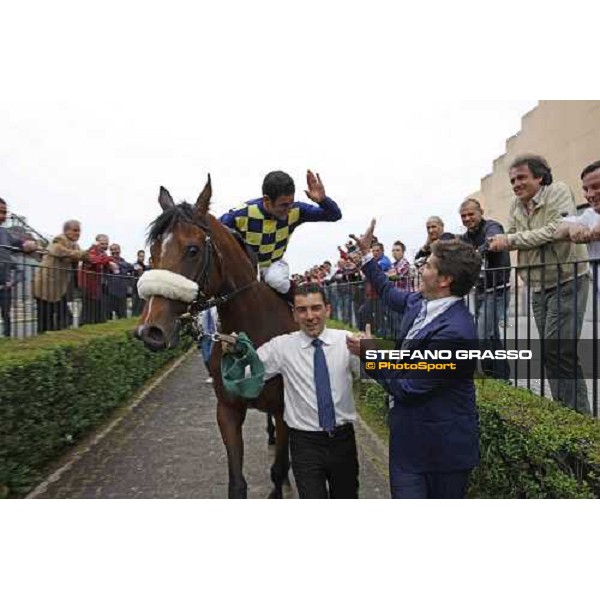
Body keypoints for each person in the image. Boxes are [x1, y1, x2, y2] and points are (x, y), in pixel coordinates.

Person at [348, 222, 481, 499]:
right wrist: (365, 258)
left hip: (441, 454)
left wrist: (370, 353)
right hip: (408, 443)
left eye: (429, 266)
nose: (422, 269)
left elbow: (408, 385)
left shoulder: (455, 333)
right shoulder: (420, 302)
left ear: (445, 280)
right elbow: (386, 291)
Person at [227, 282, 361, 499]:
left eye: (316, 308)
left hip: (343, 441)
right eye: (302, 310)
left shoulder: (347, 341)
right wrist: (237, 353)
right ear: (294, 314)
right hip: (304, 444)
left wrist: (372, 352)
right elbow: (244, 376)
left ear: (328, 309)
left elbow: (380, 374)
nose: (310, 316)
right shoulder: (281, 347)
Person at [488, 154, 590, 414]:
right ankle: (564, 411)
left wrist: (512, 240)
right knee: (550, 352)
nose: (516, 184)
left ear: (540, 176)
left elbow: (556, 230)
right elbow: (514, 234)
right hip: (536, 285)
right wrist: (511, 239)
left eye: (521, 177)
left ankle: (579, 417)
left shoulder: (557, 191)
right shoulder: (515, 205)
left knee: (560, 350)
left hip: (567, 279)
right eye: (512, 180)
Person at [219, 170, 342, 301]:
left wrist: (323, 200)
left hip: (273, 264)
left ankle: (300, 305)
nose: (289, 209)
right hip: (246, 267)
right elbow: (211, 230)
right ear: (266, 200)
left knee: (276, 280)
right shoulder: (240, 214)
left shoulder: (297, 210)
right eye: (283, 205)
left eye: (291, 203)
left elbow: (334, 215)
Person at [460, 198, 511, 380]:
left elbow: (493, 241)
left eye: (471, 214)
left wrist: (475, 253)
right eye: (463, 216)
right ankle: (500, 377)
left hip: (497, 289)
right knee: (491, 336)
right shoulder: (465, 237)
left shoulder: (492, 226)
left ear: (480, 212)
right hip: (479, 290)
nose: (467, 218)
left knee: (482, 334)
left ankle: (497, 377)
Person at [32, 219, 87, 333]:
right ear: (66, 231)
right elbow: (57, 250)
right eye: (75, 230)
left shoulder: (75, 245)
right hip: (46, 286)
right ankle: (43, 340)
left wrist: (83, 255)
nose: (78, 233)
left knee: (64, 317)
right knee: (45, 319)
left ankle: (56, 336)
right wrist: (80, 254)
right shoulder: (60, 239)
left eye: (79, 231)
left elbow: (81, 256)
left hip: (58, 288)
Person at [555, 160, 600, 294]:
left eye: (597, 186)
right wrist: (571, 228)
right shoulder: (590, 215)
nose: (590, 195)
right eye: (586, 189)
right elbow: (555, 227)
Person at [0, 198, 38, 336]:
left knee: (7, 318)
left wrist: (29, 244)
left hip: (4, 286)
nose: (2, 216)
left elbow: (21, 244)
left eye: (4, 212)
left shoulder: (4, 233)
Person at [79, 234, 118, 325]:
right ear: (96, 243)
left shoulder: (103, 254)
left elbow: (106, 263)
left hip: (98, 288)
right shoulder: (90, 251)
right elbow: (95, 261)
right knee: (88, 313)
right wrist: (109, 260)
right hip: (89, 287)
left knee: (98, 314)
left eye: (106, 244)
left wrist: (110, 264)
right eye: (102, 243)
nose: (105, 246)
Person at [106, 244, 134, 319]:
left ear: (120, 250)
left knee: (122, 315)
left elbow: (131, 267)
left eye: (116, 249)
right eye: (112, 249)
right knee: (109, 315)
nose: (114, 251)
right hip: (110, 291)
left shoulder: (123, 261)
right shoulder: (107, 260)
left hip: (122, 292)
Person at [131, 250, 149, 316]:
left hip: (143, 288)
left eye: (143, 256)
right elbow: (138, 270)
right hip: (136, 288)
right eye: (141, 256)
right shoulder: (135, 265)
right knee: (136, 304)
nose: (142, 258)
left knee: (142, 305)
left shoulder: (145, 266)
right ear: (138, 256)